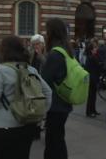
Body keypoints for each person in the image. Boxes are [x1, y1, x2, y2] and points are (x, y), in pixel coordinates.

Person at [0, 36, 52, 159]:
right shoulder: (30, 69)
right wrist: (40, 114)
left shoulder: (0, 70)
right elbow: (48, 92)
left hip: (2, 127)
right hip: (26, 126)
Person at [41, 18, 73, 159]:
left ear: (51, 33)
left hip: (55, 105)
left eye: (46, 30)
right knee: (58, 139)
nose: (45, 34)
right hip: (64, 102)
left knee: (54, 141)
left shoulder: (55, 54)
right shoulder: (66, 50)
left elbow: (44, 81)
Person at [84, 41, 100, 118]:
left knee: (93, 95)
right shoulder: (92, 57)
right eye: (95, 48)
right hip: (92, 78)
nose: (96, 49)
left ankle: (93, 110)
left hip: (92, 78)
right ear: (91, 50)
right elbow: (97, 67)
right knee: (91, 96)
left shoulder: (90, 57)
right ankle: (89, 111)